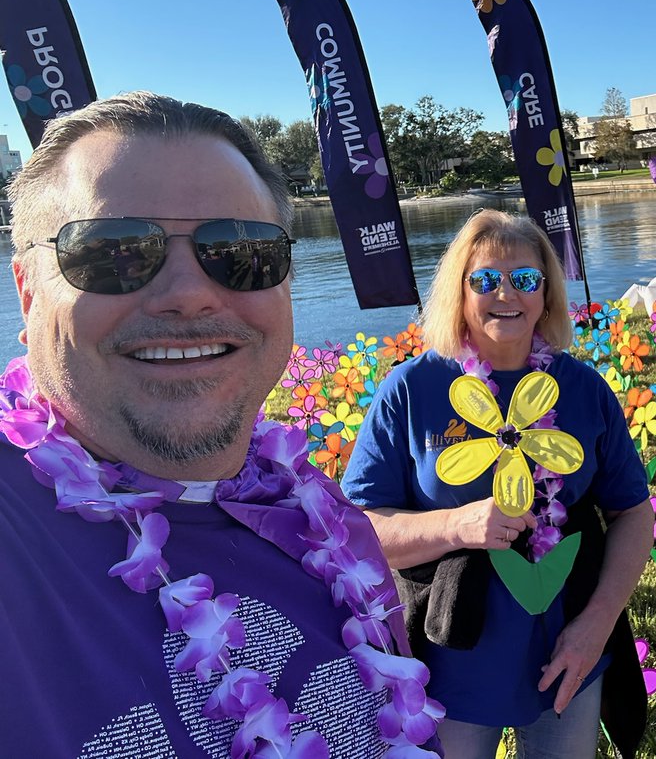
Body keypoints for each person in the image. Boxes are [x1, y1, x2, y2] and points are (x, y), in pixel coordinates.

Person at [0, 92, 442, 757]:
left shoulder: (327, 520)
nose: (188, 293)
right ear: (28, 292)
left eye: (241, 253)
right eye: (115, 250)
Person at [342, 208, 654, 759]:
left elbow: (632, 511)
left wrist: (596, 625)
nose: (505, 294)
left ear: (547, 294)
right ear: (459, 293)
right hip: (451, 659)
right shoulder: (411, 390)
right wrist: (457, 524)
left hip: (567, 650)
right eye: (485, 280)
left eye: (525, 279)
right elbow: (357, 528)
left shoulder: (582, 388)